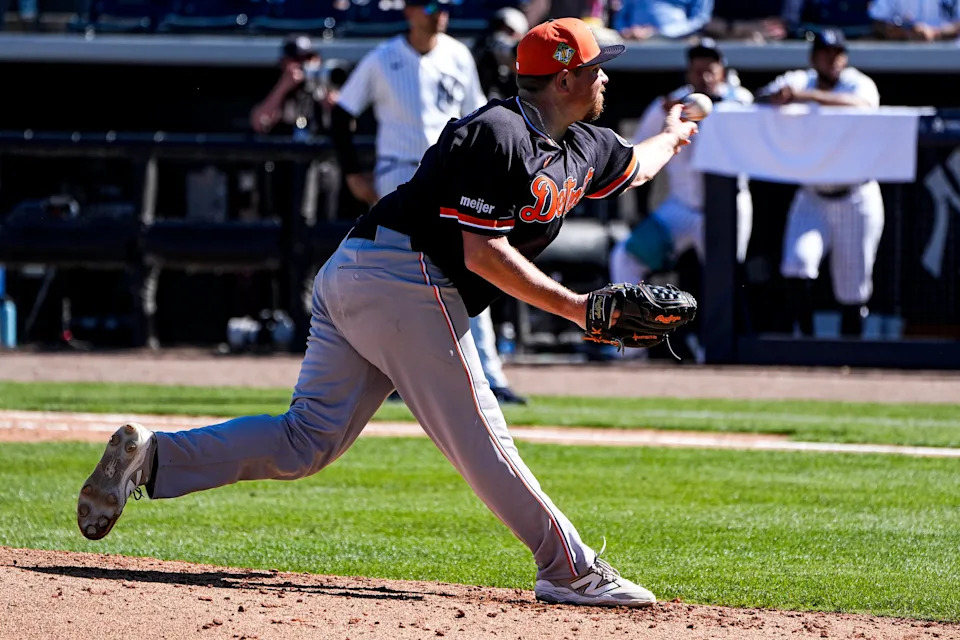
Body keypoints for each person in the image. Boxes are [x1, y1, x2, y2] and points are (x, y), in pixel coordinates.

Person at [76, 17, 698, 608]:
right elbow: (482, 253)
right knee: (480, 433)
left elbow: (638, 165)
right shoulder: (497, 133)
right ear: (564, 79)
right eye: (596, 67)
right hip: (404, 273)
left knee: (305, 441)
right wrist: (578, 309)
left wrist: (673, 134)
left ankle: (152, 457)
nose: (606, 78)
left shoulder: (583, 145)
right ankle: (569, 568)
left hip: (363, 272)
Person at [331, 0, 526, 404]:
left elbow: (480, 115)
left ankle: (488, 373)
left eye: (446, 6)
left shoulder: (457, 54)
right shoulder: (383, 57)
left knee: (474, 265)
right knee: (398, 273)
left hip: (448, 173)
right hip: (398, 172)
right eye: (431, 5)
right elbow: (342, 113)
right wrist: (352, 171)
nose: (440, 13)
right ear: (409, 11)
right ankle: (395, 374)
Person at [609, 38, 753, 360]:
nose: (704, 72)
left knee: (725, 276)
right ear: (688, 69)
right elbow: (638, 154)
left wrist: (712, 104)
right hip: (680, 208)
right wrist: (641, 211)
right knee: (625, 257)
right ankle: (633, 346)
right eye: (697, 65)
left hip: (727, 211)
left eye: (711, 65)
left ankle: (717, 351)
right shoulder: (671, 106)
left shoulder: (739, 100)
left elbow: (739, 118)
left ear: (722, 70)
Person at [755, 28, 883, 337]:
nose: (832, 59)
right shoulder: (800, 79)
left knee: (852, 287)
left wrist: (805, 98)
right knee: (797, 263)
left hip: (856, 196)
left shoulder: (858, 82)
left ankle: (850, 354)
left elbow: (863, 106)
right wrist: (778, 97)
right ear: (814, 58)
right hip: (812, 195)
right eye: (825, 53)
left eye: (837, 53)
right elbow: (758, 97)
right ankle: (806, 344)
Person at [472, 7, 529, 101]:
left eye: (509, 32)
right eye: (499, 29)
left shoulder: (524, 73)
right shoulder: (481, 59)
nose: (501, 37)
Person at [868, 0, 960, 40]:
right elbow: (878, 20)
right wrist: (906, 32)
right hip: (905, 60)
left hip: (951, 60)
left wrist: (935, 33)